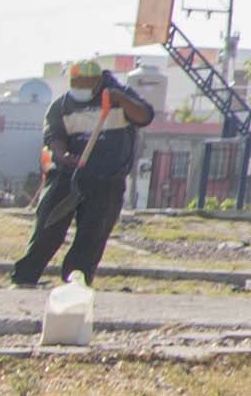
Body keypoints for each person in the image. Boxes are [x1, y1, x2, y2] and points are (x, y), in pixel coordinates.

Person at [13, 61, 157, 288]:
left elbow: (144, 116)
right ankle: (25, 277)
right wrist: (62, 155)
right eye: (76, 82)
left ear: (98, 81)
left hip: (107, 179)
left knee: (93, 234)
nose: (80, 87)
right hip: (67, 176)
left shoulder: (119, 98)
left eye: (86, 83)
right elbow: (54, 137)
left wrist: (120, 100)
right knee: (47, 228)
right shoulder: (62, 105)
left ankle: (76, 281)